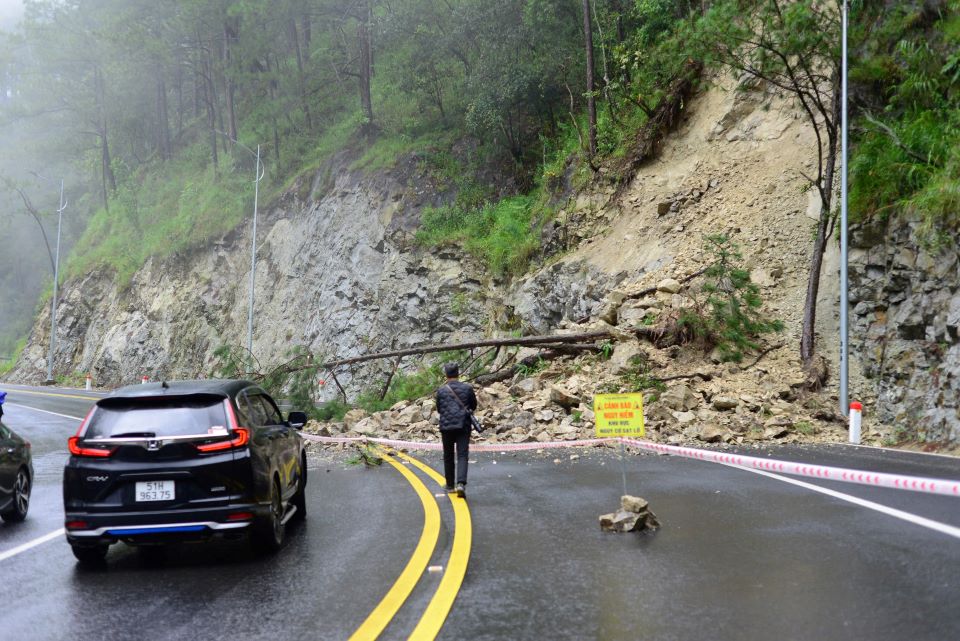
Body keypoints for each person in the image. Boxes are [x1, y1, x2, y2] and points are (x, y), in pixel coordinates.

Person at [435, 362, 476, 498]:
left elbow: (439, 409)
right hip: (463, 425)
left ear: (446, 375)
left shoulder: (441, 391)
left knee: (448, 456)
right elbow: (473, 405)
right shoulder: (467, 388)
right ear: (458, 373)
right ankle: (461, 484)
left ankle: (450, 486)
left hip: (446, 427)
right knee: (462, 455)